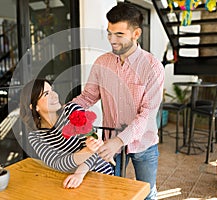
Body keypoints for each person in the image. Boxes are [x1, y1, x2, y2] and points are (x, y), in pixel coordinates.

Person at [72, 2, 164, 199]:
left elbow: (147, 115)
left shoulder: (153, 67)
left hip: (143, 145)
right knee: (108, 191)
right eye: (109, 33)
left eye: (119, 35)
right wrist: (65, 111)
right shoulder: (102, 63)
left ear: (136, 34)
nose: (112, 40)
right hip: (110, 144)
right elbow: (87, 97)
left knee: (147, 193)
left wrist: (119, 140)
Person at [19, 79, 114, 189]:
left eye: (52, 90)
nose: (54, 95)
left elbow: (95, 150)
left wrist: (80, 173)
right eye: (46, 94)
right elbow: (57, 163)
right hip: (69, 180)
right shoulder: (36, 137)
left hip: (99, 174)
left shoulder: (72, 111)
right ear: (35, 107)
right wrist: (88, 150)